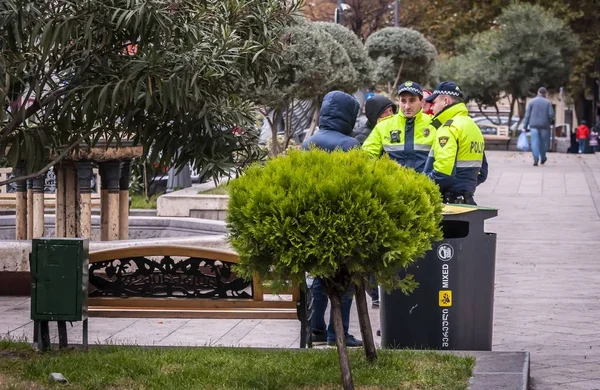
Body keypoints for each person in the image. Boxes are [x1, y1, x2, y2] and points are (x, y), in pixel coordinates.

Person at [301, 90, 363, 347]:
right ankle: (338, 333)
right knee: (345, 280)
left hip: (314, 223)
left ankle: (315, 328)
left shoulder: (308, 143)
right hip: (342, 223)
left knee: (319, 276)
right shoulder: (350, 145)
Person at [423, 81, 488, 205]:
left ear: (446, 101)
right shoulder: (472, 126)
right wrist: (464, 186)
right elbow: (482, 173)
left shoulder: (448, 128)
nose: (432, 107)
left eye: (434, 103)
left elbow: (443, 172)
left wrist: (421, 183)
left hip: (449, 205)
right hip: (467, 201)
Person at [362, 81, 434, 173]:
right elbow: (367, 156)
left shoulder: (434, 124)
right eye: (403, 101)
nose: (407, 106)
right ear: (398, 101)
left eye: (412, 100)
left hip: (427, 185)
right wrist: (386, 166)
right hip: (393, 185)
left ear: (422, 102)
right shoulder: (383, 126)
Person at [522, 87, 555, 166]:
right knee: (543, 143)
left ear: (538, 92)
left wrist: (524, 126)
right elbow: (551, 114)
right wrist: (551, 121)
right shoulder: (548, 102)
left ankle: (535, 158)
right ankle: (543, 158)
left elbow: (527, 115)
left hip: (533, 125)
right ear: (545, 93)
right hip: (544, 125)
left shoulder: (531, 102)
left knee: (534, 142)